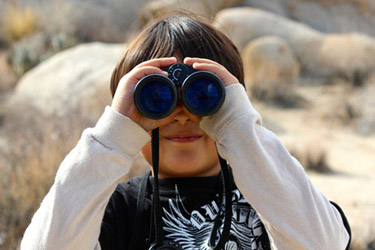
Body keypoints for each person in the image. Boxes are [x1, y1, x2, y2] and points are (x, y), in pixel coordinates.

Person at [21, 14, 351, 250]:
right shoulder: (114, 208)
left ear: (234, 102)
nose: (181, 117)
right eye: (156, 98)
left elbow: (323, 243)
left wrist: (240, 129)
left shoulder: (272, 195)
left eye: (205, 96)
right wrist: (112, 137)